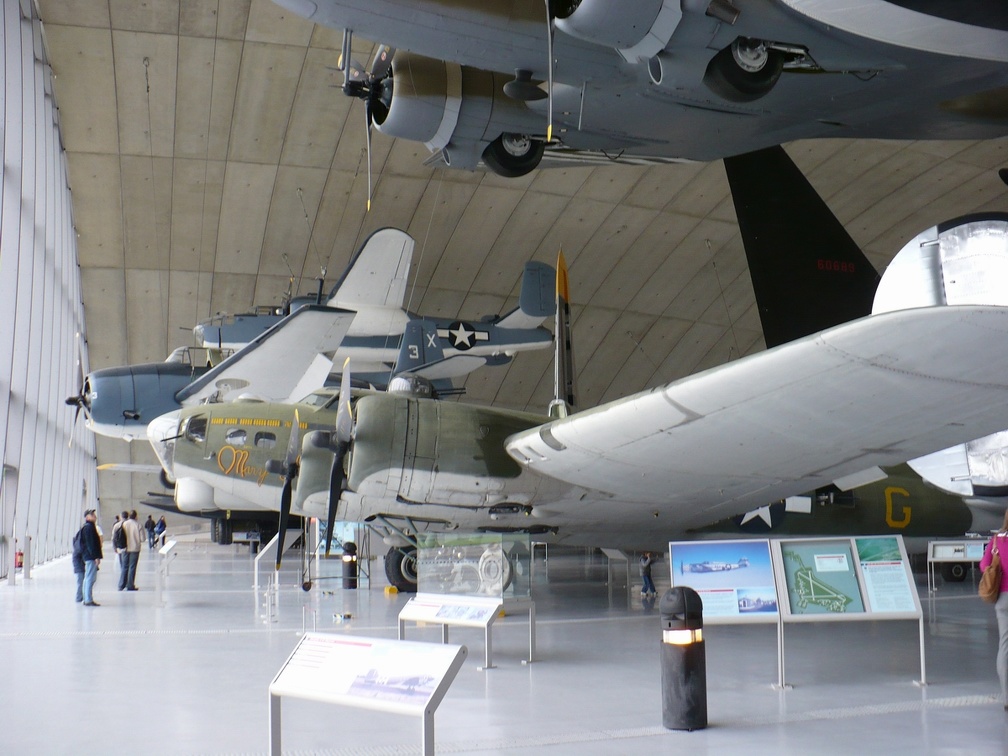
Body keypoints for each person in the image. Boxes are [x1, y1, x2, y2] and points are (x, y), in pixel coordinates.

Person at [981, 512, 1008, 709]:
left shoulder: (997, 541)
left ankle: (1006, 698)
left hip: (1002, 599)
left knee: (1004, 645)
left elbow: (984, 565)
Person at [80, 509, 102, 606]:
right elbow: (91, 544)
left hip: (88, 556)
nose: (95, 517)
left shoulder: (87, 527)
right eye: (92, 515)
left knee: (88, 577)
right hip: (90, 557)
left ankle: (86, 598)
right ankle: (88, 599)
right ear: (87, 517)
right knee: (90, 577)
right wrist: (95, 557)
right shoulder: (89, 528)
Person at [119, 510, 143, 591]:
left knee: (124, 566)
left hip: (125, 548)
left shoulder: (124, 524)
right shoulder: (138, 525)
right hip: (135, 548)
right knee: (132, 567)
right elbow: (142, 538)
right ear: (136, 516)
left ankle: (121, 585)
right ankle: (130, 585)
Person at [72, 519, 85, 603]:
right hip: (79, 562)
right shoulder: (80, 542)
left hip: (78, 561)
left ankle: (80, 596)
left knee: (81, 580)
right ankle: (79, 597)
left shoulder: (77, 539)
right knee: (80, 580)